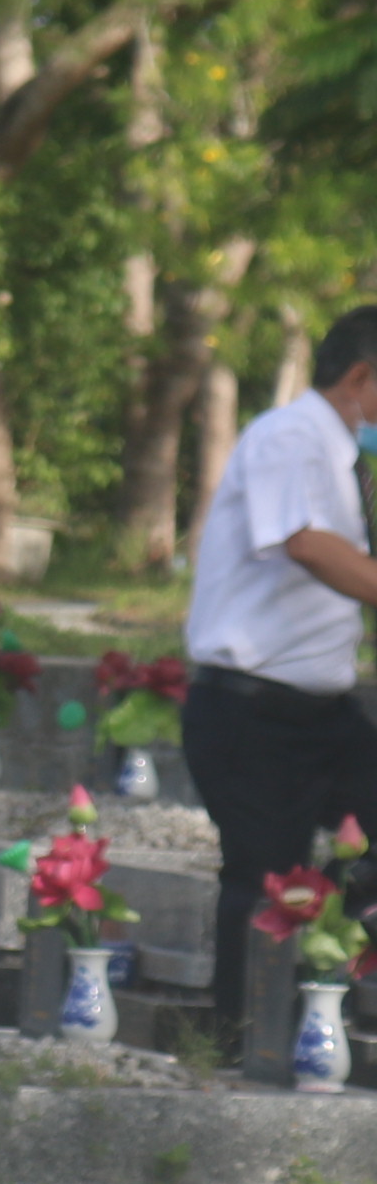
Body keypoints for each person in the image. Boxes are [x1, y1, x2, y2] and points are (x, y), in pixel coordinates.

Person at [182, 302, 377, 1057]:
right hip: (251, 710)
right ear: (360, 376)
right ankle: (241, 1042)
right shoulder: (292, 436)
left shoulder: (335, 451)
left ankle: (327, 990)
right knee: (261, 880)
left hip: (321, 713)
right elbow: (307, 545)